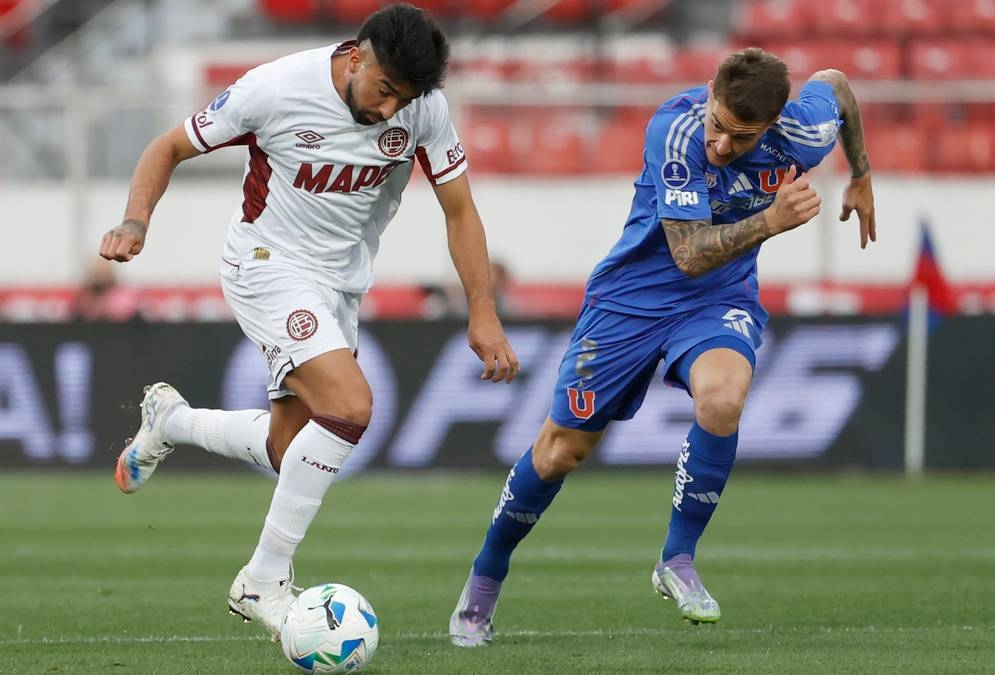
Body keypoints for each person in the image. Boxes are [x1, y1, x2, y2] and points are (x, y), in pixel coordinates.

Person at [98, 3, 519, 640]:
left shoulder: (423, 109)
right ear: (356, 56)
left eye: (402, 99)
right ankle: (262, 580)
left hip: (340, 286)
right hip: (265, 263)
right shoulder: (274, 88)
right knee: (350, 406)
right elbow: (170, 146)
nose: (387, 111)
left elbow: (460, 211)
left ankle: (172, 421)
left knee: (286, 450)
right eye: (382, 91)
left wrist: (482, 310)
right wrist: (136, 220)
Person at [448, 48, 876, 647]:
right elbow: (688, 252)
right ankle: (484, 580)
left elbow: (837, 84)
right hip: (629, 303)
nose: (722, 145)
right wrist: (770, 223)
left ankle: (676, 560)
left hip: (716, 300)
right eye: (718, 125)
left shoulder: (803, 130)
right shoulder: (673, 130)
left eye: (742, 137)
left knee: (723, 401)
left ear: (777, 123)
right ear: (708, 94)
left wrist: (861, 173)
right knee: (558, 454)